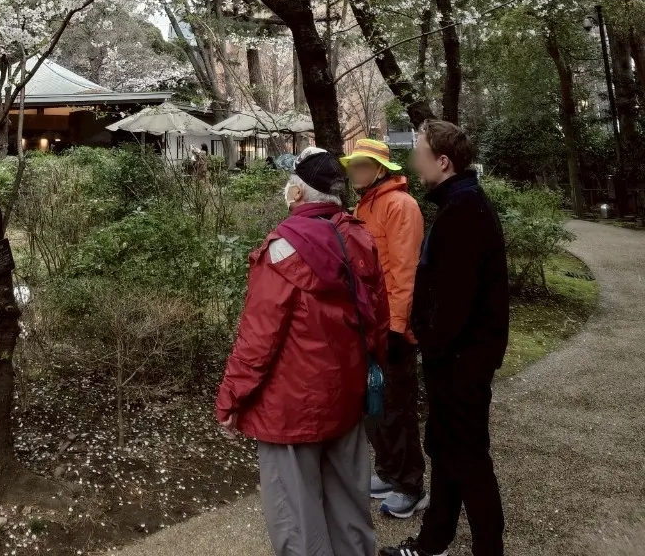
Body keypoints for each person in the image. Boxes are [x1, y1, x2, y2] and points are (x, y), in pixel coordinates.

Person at [216, 148, 389, 556]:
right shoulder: (359, 237)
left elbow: (258, 338)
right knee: (350, 510)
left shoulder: (282, 249)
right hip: (345, 397)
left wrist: (231, 397)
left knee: (296, 518)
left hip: (290, 407)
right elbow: (379, 319)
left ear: (297, 193)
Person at [381, 121, 509, 556]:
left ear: (443, 161)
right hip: (454, 359)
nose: (414, 159)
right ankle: (433, 541)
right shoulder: (458, 204)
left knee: (469, 459)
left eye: (420, 151)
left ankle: (488, 549)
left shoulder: (465, 212)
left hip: (461, 361)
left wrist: (429, 342)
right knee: (446, 449)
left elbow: (454, 300)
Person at [342, 137, 426, 520]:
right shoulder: (365, 204)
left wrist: (397, 326)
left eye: (363, 165)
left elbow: (405, 271)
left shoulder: (400, 205)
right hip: (369, 325)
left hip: (392, 328)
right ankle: (389, 472)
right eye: (354, 165)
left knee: (396, 408)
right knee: (375, 406)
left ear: (380, 169)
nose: (357, 171)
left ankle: (410, 485)